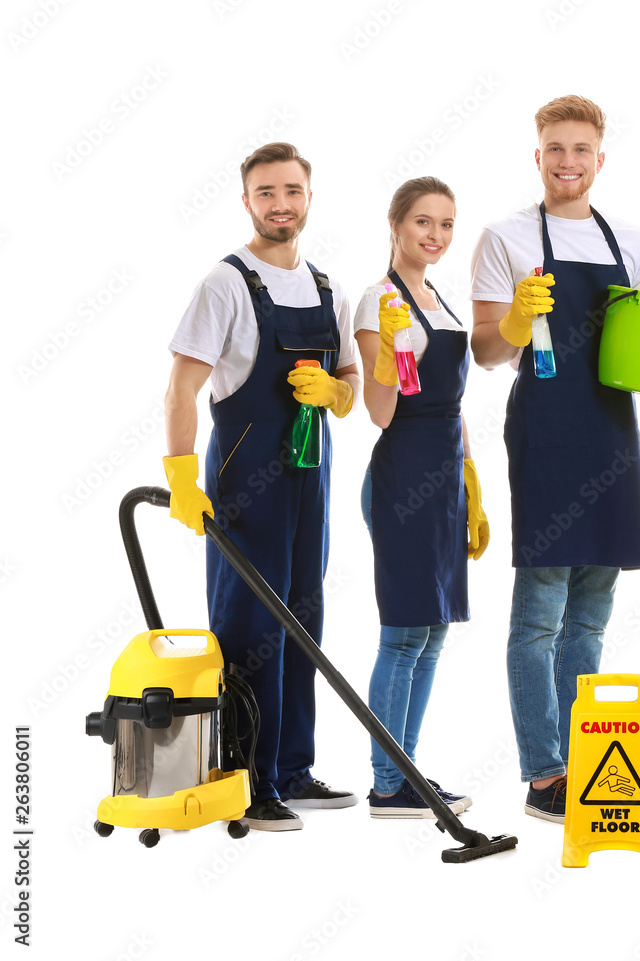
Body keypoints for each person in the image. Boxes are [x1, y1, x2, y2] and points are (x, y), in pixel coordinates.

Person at [163, 142, 362, 831]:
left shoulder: (329, 288)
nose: (281, 204)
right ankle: (245, 780)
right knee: (252, 628)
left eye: (292, 191)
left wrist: (338, 389)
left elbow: (354, 384)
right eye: (266, 193)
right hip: (245, 474)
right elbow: (182, 387)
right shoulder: (226, 282)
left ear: (310, 196)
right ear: (246, 200)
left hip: (311, 474)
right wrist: (180, 475)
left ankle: (293, 769)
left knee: (303, 620)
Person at [470, 95, 640, 823]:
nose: (568, 161)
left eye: (582, 149)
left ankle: (582, 758)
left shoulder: (631, 240)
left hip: (612, 432)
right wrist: (516, 317)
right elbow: (486, 350)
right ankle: (544, 771)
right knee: (541, 612)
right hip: (546, 429)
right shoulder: (505, 237)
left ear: (599, 159)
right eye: (556, 148)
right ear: (537, 155)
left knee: (590, 619)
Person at [354, 176, 490, 818]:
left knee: (434, 634)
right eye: (422, 224)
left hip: (444, 478)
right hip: (403, 475)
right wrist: (386, 351)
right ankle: (388, 781)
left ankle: (407, 772)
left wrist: (472, 479)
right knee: (403, 633)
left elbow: (453, 403)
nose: (434, 237)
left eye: (445, 226)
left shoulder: (437, 298)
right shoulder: (377, 301)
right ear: (395, 225)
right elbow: (380, 413)